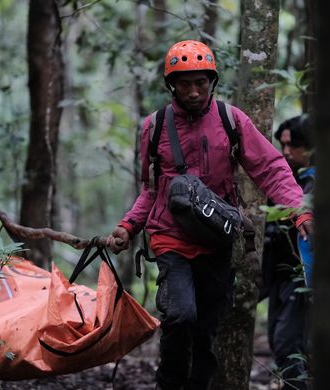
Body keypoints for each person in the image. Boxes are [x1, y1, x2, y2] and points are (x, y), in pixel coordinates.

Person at [106, 40, 313, 390]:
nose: (193, 91)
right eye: (184, 83)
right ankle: (169, 384)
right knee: (180, 314)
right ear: (171, 85)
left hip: (217, 239)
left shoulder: (232, 121)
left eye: (200, 82)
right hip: (170, 237)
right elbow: (150, 189)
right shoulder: (153, 127)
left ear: (212, 82)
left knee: (206, 327)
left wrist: (300, 213)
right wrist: (128, 226)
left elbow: (271, 169)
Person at [262, 115, 313, 390]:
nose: (286, 152)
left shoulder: (319, 182)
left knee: (287, 343)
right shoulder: (283, 180)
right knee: (278, 339)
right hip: (278, 273)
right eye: (282, 145)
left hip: (302, 275)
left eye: (293, 145)